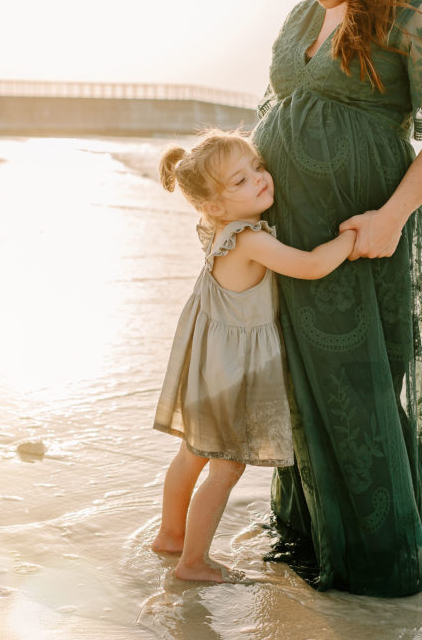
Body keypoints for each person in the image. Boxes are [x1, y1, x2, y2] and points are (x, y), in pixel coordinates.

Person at [253, 0, 422, 597]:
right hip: (289, 238)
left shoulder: (416, 13)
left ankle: (377, 562)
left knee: (360, 387)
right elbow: (278, 117)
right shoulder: (298, 22)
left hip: (363, 234)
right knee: (300, 384)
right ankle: (313, 538)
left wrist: (392, 216)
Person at [152, 128, 356, 583]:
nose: (260, 180)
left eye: (258, 168)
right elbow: (310, 266)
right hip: (231, 372)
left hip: (209, 368)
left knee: (192, 455)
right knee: (227, 466)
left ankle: (170, 535)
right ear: (215, 206)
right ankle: (193, 562)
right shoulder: (248, 239)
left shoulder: (219, 232)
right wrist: (352, 238)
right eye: (240, 181)